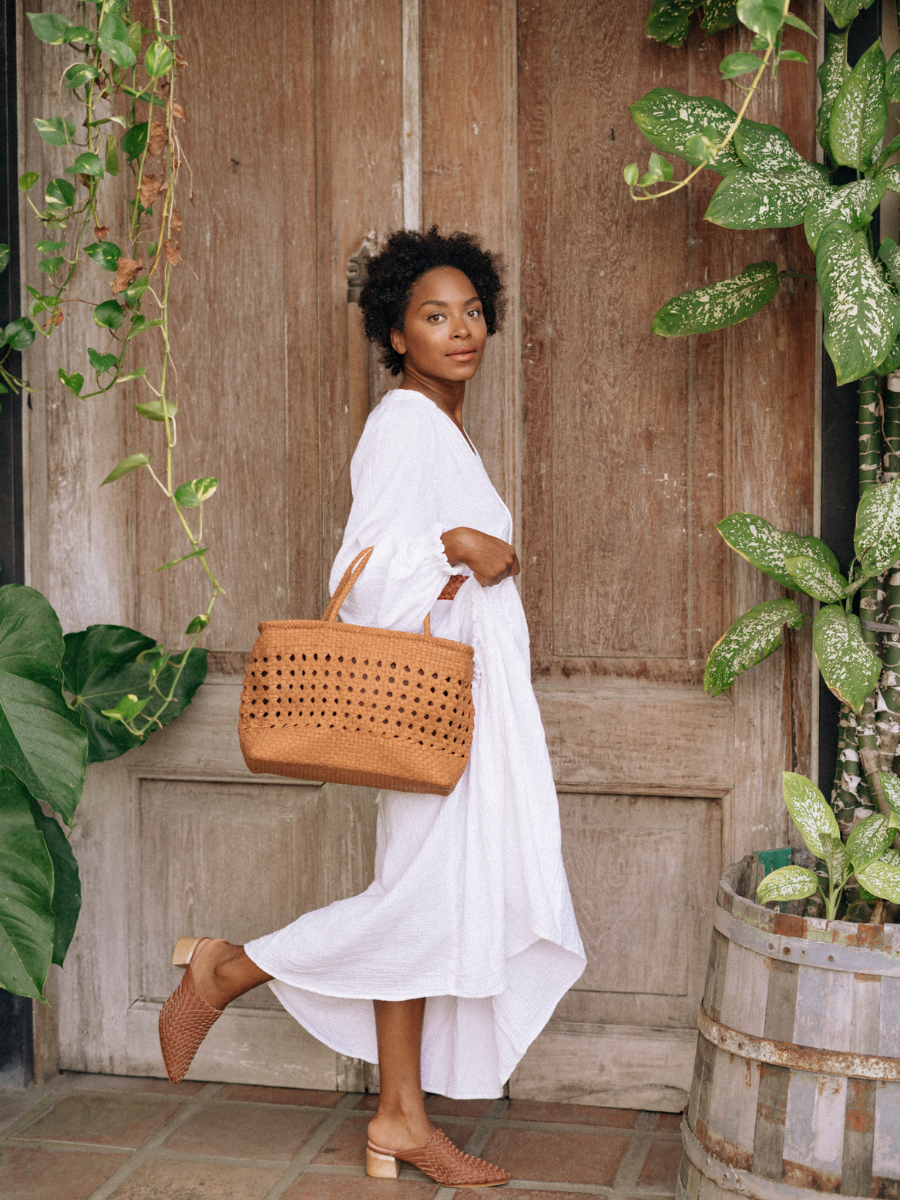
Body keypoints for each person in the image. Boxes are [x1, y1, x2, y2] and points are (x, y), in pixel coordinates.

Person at [159, 227, 586, 1189]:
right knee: (421, 904)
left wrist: (472, 551)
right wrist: (466, 550)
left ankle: (399, 1117)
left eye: (472, 312)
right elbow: (365, 583)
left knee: (429, 908)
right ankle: (228, 967)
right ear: (397, 331)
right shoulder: (403, 425)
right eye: (435, 316)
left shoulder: (442, 425)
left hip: (469, 715)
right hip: (432, 714)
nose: (461, 329)